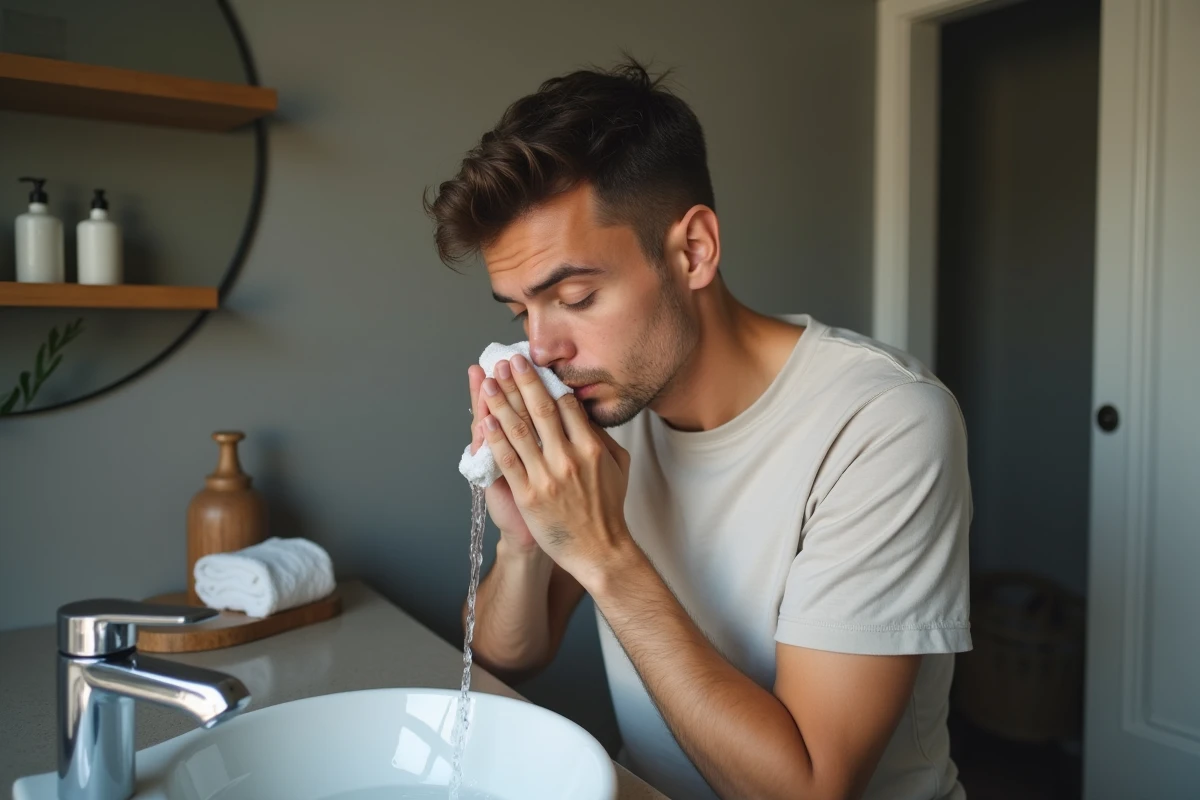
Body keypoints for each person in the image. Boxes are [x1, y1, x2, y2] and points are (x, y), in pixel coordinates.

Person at [425, 58, 972, 800]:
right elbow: (506, 656)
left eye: (576, 296)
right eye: (521, 311)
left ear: (694, 251)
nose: (543, 346)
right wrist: (528, 543)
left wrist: (602, 553)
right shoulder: (600, 404)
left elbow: (811, 789)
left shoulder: (883, 422)